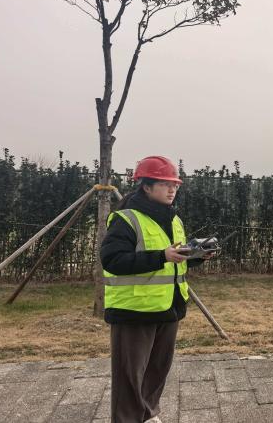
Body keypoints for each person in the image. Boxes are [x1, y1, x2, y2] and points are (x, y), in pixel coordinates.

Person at [101, 155, 211, 423]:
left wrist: (196, 256)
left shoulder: (174, 220)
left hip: (169, 307)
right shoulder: (125, 219)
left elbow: (173, 262)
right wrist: (161, 256)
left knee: (157, 370)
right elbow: (113, 261)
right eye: (165, 184)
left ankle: (148, 414)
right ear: (146, 186)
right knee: (130, 376)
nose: (172, 190)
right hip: (134, 310)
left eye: (175, 185)